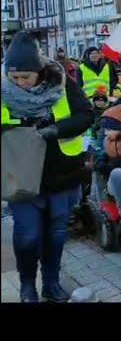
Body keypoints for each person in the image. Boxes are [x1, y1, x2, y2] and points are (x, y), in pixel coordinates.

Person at [1, 32, 93, 302]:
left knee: (56, 234)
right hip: (19, 176)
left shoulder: (62, 83)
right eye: (14, 78)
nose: (20, 83)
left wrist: (56, 129)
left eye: (25, 77)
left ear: (39, 71)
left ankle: (51, 284)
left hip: (61, 174)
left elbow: (86, 114)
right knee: (28, 235)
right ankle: (28, 286)